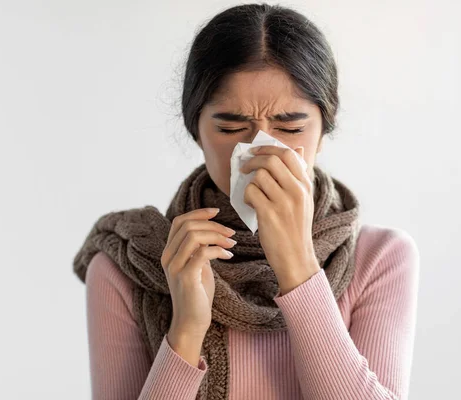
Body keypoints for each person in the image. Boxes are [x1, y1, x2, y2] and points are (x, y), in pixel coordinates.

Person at [74, 3, 419, 400]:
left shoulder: (381, 258)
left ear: (324, 132)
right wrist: (185, 331)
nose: (258, 148)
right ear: (196, 131)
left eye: (289, 128)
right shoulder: (129, 265)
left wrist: (298, 268)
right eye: (231, 127)